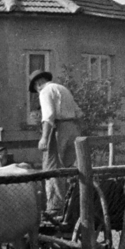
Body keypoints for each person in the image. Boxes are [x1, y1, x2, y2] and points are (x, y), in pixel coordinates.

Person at [30, 69, 84, 217]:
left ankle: (55, 208)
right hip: (72, 128)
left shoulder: (45, 91)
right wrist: (78, 132)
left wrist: (44, 138)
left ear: (38, 83)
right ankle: (69, 206)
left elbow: (48, 116)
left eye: (36, 88)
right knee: (68, 168)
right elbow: (79, 113)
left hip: (59, 129)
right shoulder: (63, 89)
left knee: (51, 168)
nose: (37, 91)